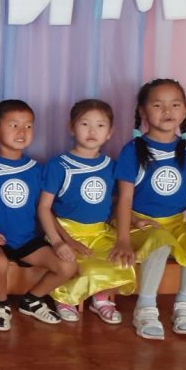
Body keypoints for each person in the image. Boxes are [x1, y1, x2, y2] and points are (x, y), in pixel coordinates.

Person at [111, 79, 186, 340]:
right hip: (139, 223)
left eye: (175, 104)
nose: (167, 111)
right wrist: (123, 239)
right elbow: (124, 199)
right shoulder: (132, 150)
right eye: (158, 105)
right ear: (143, 112)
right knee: (159, 242)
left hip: (175, 222)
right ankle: (145, 307)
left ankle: (185, 304)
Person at [0, 100, 77, 332]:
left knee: (67, 266)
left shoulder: (36, 169)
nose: (22, 131)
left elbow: (45, 209)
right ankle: (2, 305)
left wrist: (63, 240)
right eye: (14, 125)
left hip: (27, 240)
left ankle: (32, 300)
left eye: (28, 126)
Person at [38, 100, 136, 324]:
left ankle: (100, 299)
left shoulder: (111, 166)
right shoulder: (58, 165)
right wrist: (59, 241)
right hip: (66, 232)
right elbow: (43, 208)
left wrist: (135, 219)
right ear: (71, 127)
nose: (92, 131)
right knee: (83, 266)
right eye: (85, 124)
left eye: (100, 125)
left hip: (100, 233)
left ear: (109, 132)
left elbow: (118, 203)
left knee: (123, 261)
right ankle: (65, 299)